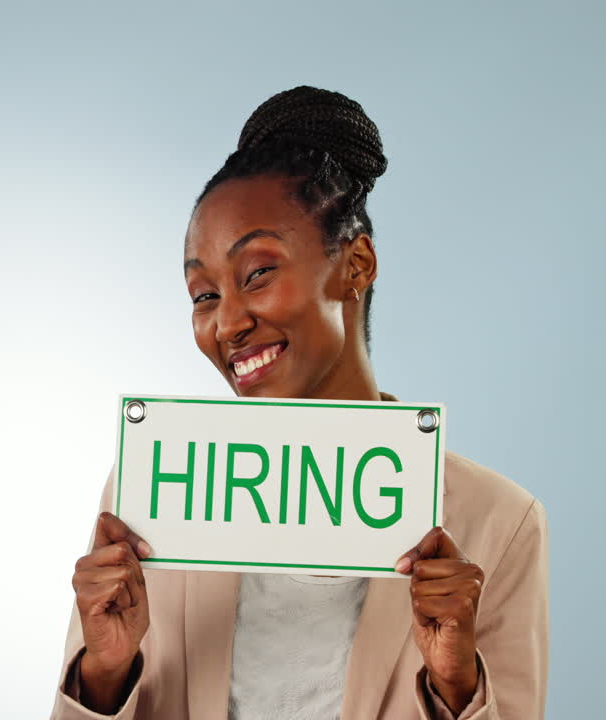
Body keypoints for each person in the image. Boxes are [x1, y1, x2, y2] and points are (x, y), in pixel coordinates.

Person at [50, 87, 549, 719]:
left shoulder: (498, 523)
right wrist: (104, 671)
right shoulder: (152, 491)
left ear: (356, 264)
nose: (227, 323)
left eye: (257, 273)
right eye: (203, 295)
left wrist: (456, 685)